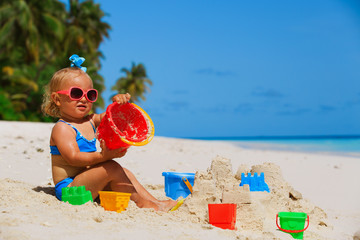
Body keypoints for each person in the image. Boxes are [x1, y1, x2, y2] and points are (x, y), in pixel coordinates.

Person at [41, 54, 178, 212]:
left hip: (88, 181)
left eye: (90, 95)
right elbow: (73, 158)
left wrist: (119, 103)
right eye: (76, 94)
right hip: (70, 189)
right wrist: (103, 157)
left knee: (124, 172)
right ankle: (144, 205)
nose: (84, 99)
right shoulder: (62, 128)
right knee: (112, 167)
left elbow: (112, 116)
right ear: (57, 99)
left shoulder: (91, 120)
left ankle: (155, 202)